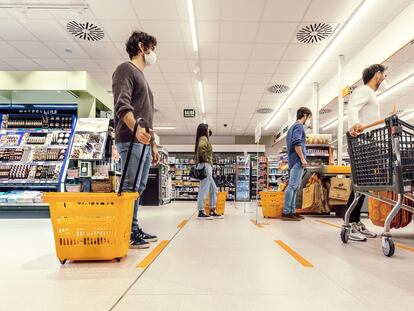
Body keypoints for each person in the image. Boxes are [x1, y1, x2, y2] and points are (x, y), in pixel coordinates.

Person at [113, 31, 160, 249]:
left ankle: (132, 227)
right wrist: (136, 130)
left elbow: (146, 116)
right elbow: (122, 105)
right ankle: (126, 231)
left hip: (142, 142)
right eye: (152, 47)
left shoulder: (143, 77)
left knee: (138, 187)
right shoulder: (125, 69)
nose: (154, 53)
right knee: (130, 186)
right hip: (130, 140)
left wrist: (152, 145)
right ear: (142, 47)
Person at [346, 64, 387, 241]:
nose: (385, 78)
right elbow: (352, 108)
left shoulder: (371, 93)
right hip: (362, 143)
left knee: (363, 184)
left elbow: (367, 116)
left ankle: (354, 221)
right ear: (377, 74)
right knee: (359, 184)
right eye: (384, 75)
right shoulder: (364, 90)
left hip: (369, 143)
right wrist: (355, 124)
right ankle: (349, 223)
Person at [282, 107, 312, 221]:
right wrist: (302, 158)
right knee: (292, 186)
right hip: (297, 160)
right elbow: (297, 143)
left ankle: (292, 211)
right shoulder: (299, 126)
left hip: (294, 161)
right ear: (304, 115)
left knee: (295, 187)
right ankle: (286, 212)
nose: (308, 120)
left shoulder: (292, 127)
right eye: (309, 117)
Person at [194, 124, 223, 220]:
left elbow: (203, 146)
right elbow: (202, 148)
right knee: (204, 189)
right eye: (207, 128)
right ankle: (201, 212)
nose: (209, 130)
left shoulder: (204, 138)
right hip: (205, 165)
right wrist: (206, 160)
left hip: (206, 165)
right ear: (204, 130)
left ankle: (212, 209)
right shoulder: (203, 138)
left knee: (212, 189)